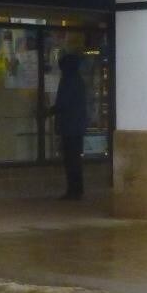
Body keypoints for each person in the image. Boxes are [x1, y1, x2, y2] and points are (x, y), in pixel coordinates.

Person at [50, 52, 90, 200]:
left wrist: (48, 111)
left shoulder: (68, 80)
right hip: (76, 125)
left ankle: (73, 191)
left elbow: (63, 103)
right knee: (75, 160)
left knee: (71, 161)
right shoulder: (77, 79)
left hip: (70, 126)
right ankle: (76, 190)